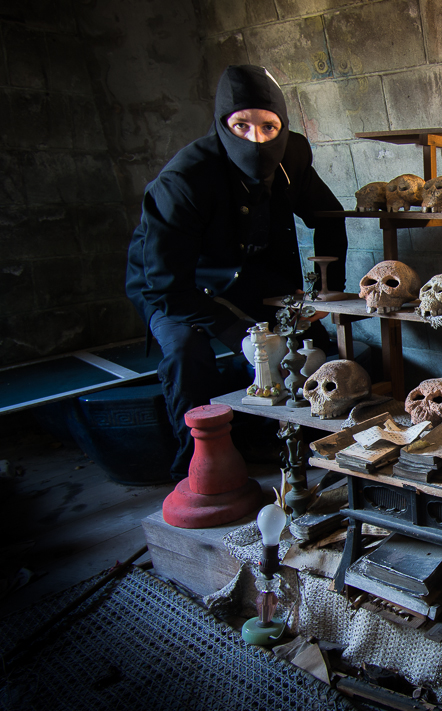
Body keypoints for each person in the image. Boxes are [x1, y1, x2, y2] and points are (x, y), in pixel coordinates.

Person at [126, 64, 349, 479]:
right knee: (186, 353)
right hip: (177, 284)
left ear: (282, 125)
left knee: (307, 345)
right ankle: (194, 463)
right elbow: (165, 283)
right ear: (222, 125)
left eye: (268, 127)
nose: (256, 140)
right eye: (241, 126)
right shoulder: (184, 180)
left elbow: (329, 216)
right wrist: (236, 330)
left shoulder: (293, 156)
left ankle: (284, 439)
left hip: (250, 273)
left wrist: (325, 295)